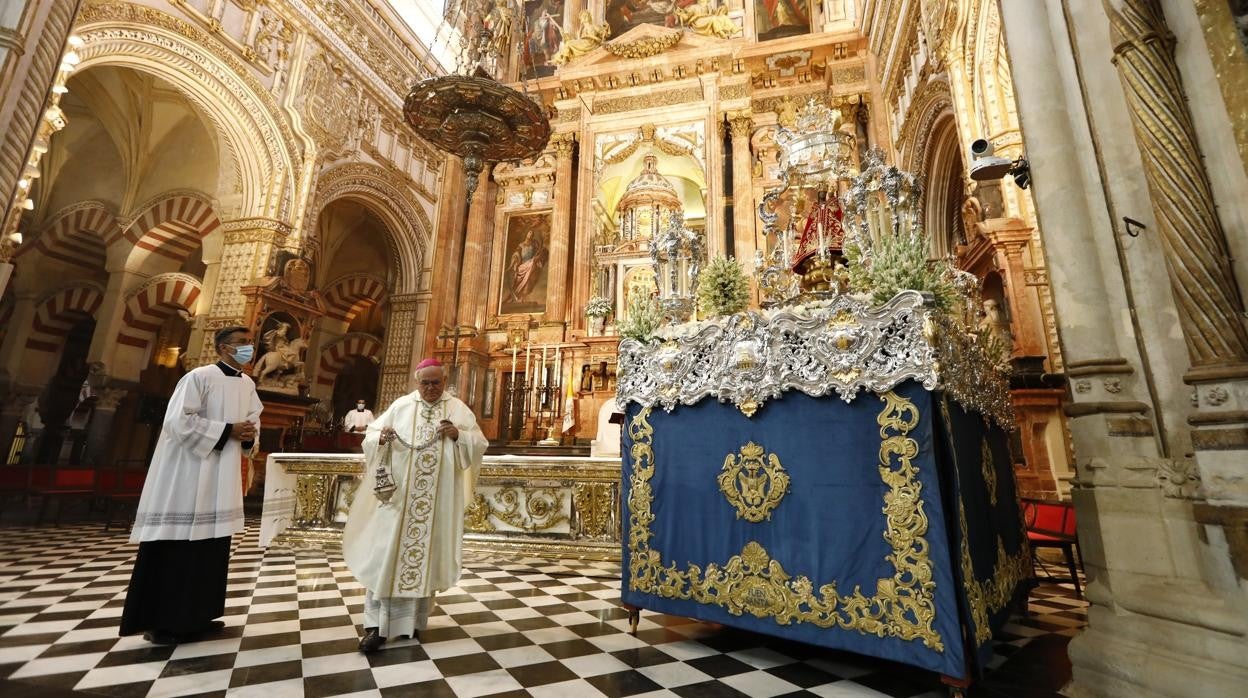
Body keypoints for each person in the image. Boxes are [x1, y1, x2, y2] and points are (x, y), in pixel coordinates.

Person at [119, 326, 263, 646]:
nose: (248, 348)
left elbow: (253, 422)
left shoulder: (248, 384)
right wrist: (227, 430)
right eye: (242, 343)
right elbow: (177, 422)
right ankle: (163, 622)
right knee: (178, 545)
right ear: (224, 348)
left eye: (249, 344)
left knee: (211, 546)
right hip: (187, 474)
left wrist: (248, 434)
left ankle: (199, 616)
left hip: (220, 476)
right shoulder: (198, 377)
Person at [343, 359, 488, 652]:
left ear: (444, 381)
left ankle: (410, 625)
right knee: (384, 557)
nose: (431, 388)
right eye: (425, 383)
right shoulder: (401, 406)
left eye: (436, 382)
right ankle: (375, 626)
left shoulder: (457, 409)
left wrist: (459, 435)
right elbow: (371, 435)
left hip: (433, 505)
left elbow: (479, 443)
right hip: (396, 501)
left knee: (422, 558)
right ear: (417, 381)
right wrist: (380, 437)